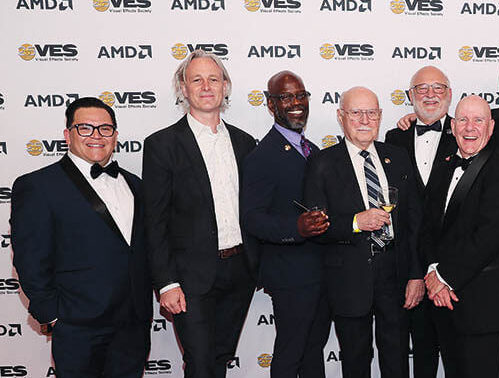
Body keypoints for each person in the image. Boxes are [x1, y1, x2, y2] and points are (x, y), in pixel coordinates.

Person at [11, 97, 152, 377]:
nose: (96, 136)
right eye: (85, 128)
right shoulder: (38, 186)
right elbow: (30, 258)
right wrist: (52, 315)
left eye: (105, 129)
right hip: (78, 326)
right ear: (68, 134)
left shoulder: (135, 184)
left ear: (115, 136)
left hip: (132, 325)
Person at [142, 50, 257, 378]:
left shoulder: (245, 143)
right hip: (190, 277)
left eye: (214, 79)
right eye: (197, 79)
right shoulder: (162, 145)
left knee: (219, 358)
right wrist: (166, 283)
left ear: (226, 86)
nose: (206, 86)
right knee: (201, 363)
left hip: (239, 271)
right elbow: (155, 220)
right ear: (183, 88)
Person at [303, 86, 424, 378]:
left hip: (395, 276)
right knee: (355, 360)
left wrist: (415, 274)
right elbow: (314, 227)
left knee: (396, 358)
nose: (364, 120)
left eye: (371, 112)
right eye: (356, 113)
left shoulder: (398, 156)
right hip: (348, 279)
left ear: (380, 116)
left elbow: (414, 222)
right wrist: (356, 222)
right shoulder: (321, 163)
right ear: (341, 116)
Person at [419, 95, 499, 378]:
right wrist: (432, 270)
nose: (470, 128)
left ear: (490, 128)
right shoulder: (442, 168)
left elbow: (490, 237)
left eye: (478, 120)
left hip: (488, 306)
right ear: (452, 127)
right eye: (463, 120)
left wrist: (442, 278)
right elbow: (427, 227)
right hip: (446, 304)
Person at [240, 70, 330, 378]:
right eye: (285, 97)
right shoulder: (261, 156)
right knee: (290, 354)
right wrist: (297, 228)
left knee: (313, 352)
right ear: (270, 104)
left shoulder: (313, 150)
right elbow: (252, 219)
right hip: (290, 275)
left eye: (300, 95)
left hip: (321, 272)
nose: (295, 103)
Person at [384, 66, 457, 378]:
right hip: (409, 267)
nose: (430, 95)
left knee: (458, 354)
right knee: (413, 353)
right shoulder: (393, 138)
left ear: (450, 95)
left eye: (438, 88)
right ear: (410, 96)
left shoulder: (466, 130)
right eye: (422, 89)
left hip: (455, 268)